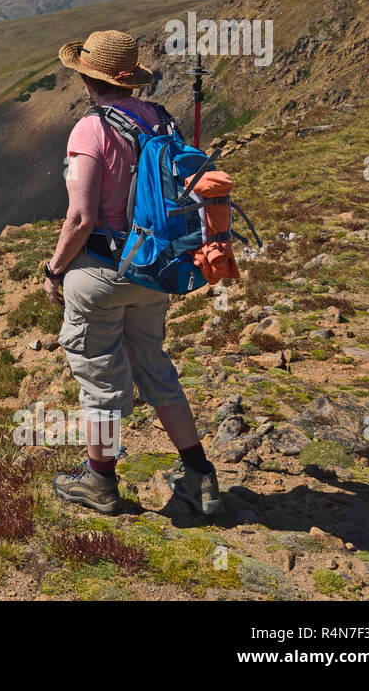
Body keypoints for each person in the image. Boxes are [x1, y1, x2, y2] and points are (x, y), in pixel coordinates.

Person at [42, 30, 221, 515]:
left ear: (87, 76)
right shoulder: (162, 120)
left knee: (100, 378)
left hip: (101, 269)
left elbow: (80, 217)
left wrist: (55, 270)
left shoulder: (91, 129)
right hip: (155, 268)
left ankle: (99, 482)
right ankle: (200, 476)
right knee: (154, 366)